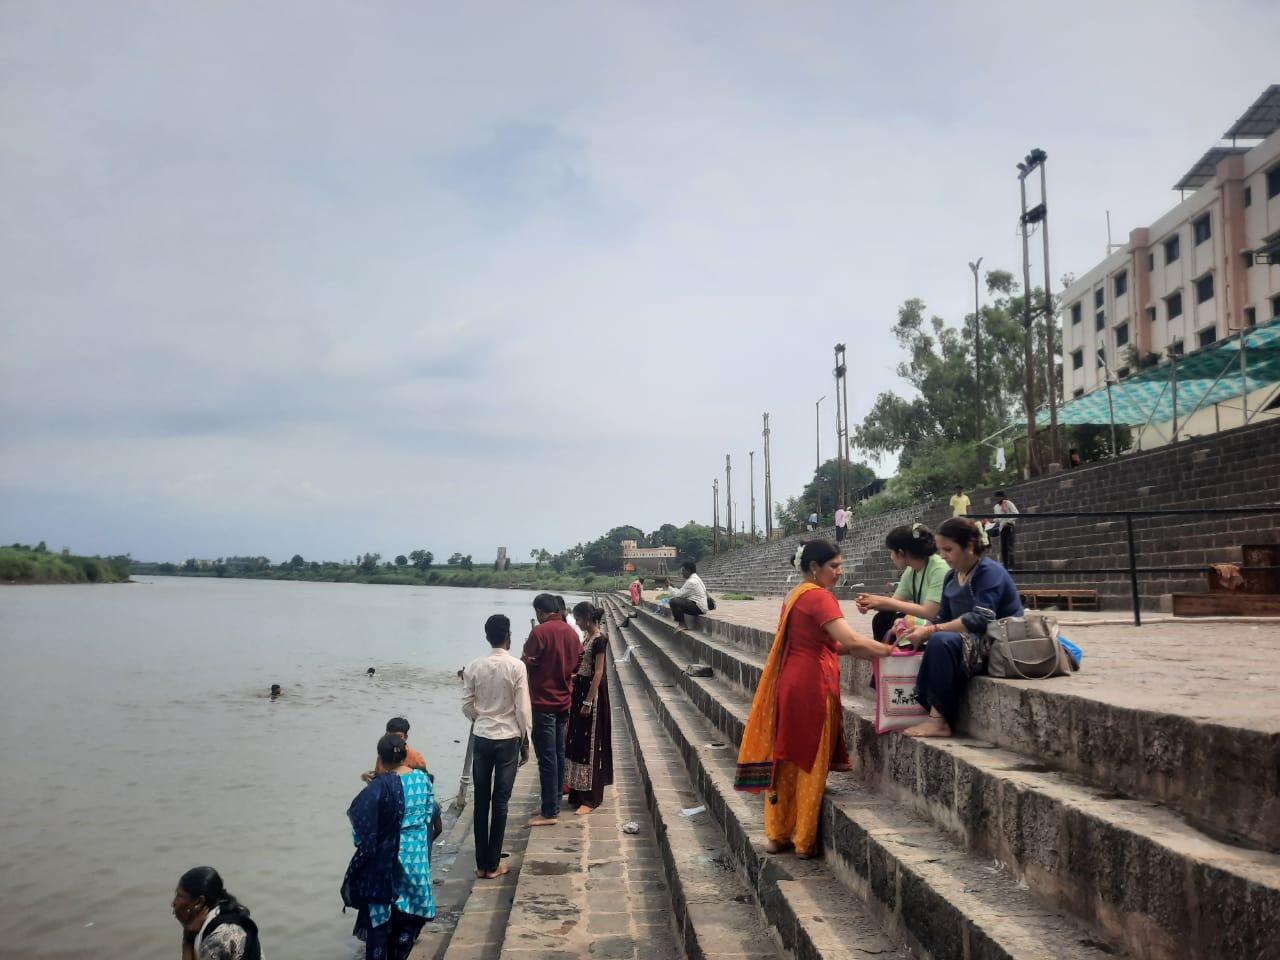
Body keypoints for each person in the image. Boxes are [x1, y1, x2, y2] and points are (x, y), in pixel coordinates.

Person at [733, 540, 894, 858]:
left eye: (840, 565)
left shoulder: (796, 594)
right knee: (810, 759)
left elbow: (831, 645)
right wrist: (892, 651)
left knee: (787, 757)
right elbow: (848, 639)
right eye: (833, 566)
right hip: (811, 686)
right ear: (813, 568)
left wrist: (870, 651)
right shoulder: (820, 597)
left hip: (791, 683)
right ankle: (804, 840)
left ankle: (778, 834)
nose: (839, 572)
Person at [901, 517, 1024, 738]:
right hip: (968, 640)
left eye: (948, 549)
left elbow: (981, 619)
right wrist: (916, 631)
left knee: (940, 641)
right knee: (913, 639)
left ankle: (939, 720)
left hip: (998, 642)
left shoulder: (989, 572)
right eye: (940, 550)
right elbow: (942, 616)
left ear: (968, 546)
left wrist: (931, 631)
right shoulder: (952, 576)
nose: (943, 556)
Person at [343, 734, 437, 959]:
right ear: (406, 754)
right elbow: (427, 818)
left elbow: (360, 828)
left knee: (381, 927)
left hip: (385, 866)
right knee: (408, 922)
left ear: (380, 760)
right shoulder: (423, 780)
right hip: (415, 863)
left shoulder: (378, 788)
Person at [462, 614, 532, 878]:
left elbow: (466, 704)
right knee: (500, 801)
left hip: (482, 736)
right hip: (508, 738)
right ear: (508, 636)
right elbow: (523, 708)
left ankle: (482, 864)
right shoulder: (517, 666)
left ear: (487, 636)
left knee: (480, 800)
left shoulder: (473, 666)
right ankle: (493, 864)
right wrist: (526, 740)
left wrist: (479, 718)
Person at [521, 593, 582, 825]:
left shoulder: (540, 632)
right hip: (564, 700)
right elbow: (578, 661)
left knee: (547, 758)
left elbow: (525, 662)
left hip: (543, 702)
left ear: (539, 611)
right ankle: (554, 802)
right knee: (557, 754)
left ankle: (549, 811)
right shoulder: (570, 631)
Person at [854, 523, 949, 641]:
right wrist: (870, 603)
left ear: (901, 552)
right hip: (925, 621)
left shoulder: (939, 569)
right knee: (883, 618)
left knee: (896, 620)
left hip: (941, 626)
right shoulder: (911, 570)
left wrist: (883, 601)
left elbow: (930, 612)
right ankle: (887, 656)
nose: (891, 557)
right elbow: (895, 602)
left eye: (892, 552)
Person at [566, 602, 614, 814]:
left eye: (578, 619)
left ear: (586, 617)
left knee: (591, 744)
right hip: (580, 690)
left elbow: (599, 672)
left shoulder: (600, 640)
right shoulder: (587, 638)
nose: (576, 622)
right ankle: (577, 791)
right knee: (577, 742)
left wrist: (588, 700)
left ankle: (591, 798)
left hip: (591, 696)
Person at [172, 866, 262, 960]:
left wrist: (187, 940)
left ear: (199, 902)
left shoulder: (217, 939)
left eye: (179, 896)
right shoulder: (230, 914)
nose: (174, 903)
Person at [363, 717, 429, 783]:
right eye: (390, 736)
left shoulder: (416, 758)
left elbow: (425, 783)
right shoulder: (384, 753)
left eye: (398, 736)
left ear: (405, 737)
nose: (393, 740)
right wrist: (367, 777)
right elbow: (379, 776)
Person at [665, 560, 708, 627]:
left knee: (673, 601)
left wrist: (669, 587)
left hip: (699, 607)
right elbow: (682, 593)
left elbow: (678, 595)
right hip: (700, 606)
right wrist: (673, 587)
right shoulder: (695, 579)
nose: (682, 573)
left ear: (688, 571)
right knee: (677, 600)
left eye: (683, 570)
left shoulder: (691, 581)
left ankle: (682, 624)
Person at [992, 491, 1019, 568]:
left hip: (1009, 527)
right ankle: (1005, 565)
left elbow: (1016, 513)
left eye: (1000, 497)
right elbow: (997, 518)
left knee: (1010, 546)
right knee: (1003, 548)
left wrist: (1009, 521)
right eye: (997, 497)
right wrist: (991, 522)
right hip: (1002, 528)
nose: (998, 499)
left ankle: (1011, 566)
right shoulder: (996, 507)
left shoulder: (1008, 503)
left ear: (1003, 497)